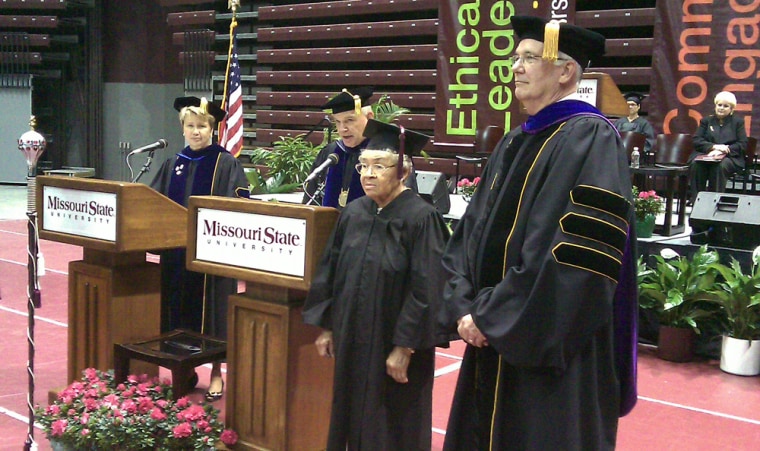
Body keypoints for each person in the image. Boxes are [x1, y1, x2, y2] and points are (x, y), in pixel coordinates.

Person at [439, 16, 638, 451]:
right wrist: (464, 302)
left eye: (529, 57)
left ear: (567, 71)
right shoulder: (514, 141)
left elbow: (573, 255)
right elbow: (472, 232)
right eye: (515, 58)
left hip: (548, 346)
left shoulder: (590, 138)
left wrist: (492, 316)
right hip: (490, 333)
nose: (516, 67)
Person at [303, 119, 450, 451]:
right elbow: (331, 271)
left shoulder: (420, 218)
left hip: (393, 346)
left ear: (403, 172)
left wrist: (404, 347)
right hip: (352, 338)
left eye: (378, 166)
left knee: (393, 424)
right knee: (351, 416)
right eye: (363, 166)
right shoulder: (355, 213)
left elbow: (427, 287)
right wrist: (327, 327)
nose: (367, 174)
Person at [150, 96, 249, 402]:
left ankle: (217, 372)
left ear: (212, 128)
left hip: (212, 256)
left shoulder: (225, 162)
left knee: (215, 313)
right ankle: (185, 371)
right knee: (177, 311)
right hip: (177, 253)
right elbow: (153, 201)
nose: (196, 132)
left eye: (202, 126)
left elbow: (238, 204)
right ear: (182, 129)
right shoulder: (174, 163)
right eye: (190, 126)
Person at [302, 87, 417, 208]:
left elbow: (407, 204)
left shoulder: (390, 154)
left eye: (350, 120)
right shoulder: (330, 154)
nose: (343, 129)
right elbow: (309, 205)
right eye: (338, 122)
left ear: (370, 117)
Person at [689, 90, 748, 202]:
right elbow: (697, 140)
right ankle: (696, 202)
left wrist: (725, 150)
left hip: (729, 157)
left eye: (726, 106)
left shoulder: (738, 122)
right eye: (719, 105)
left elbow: (742, 144)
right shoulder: (706, 121)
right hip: (706, 154)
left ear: (731, 109)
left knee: (719, 166)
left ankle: (714, 202)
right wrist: (714, 147)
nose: (721, 108)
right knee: (696, 165)